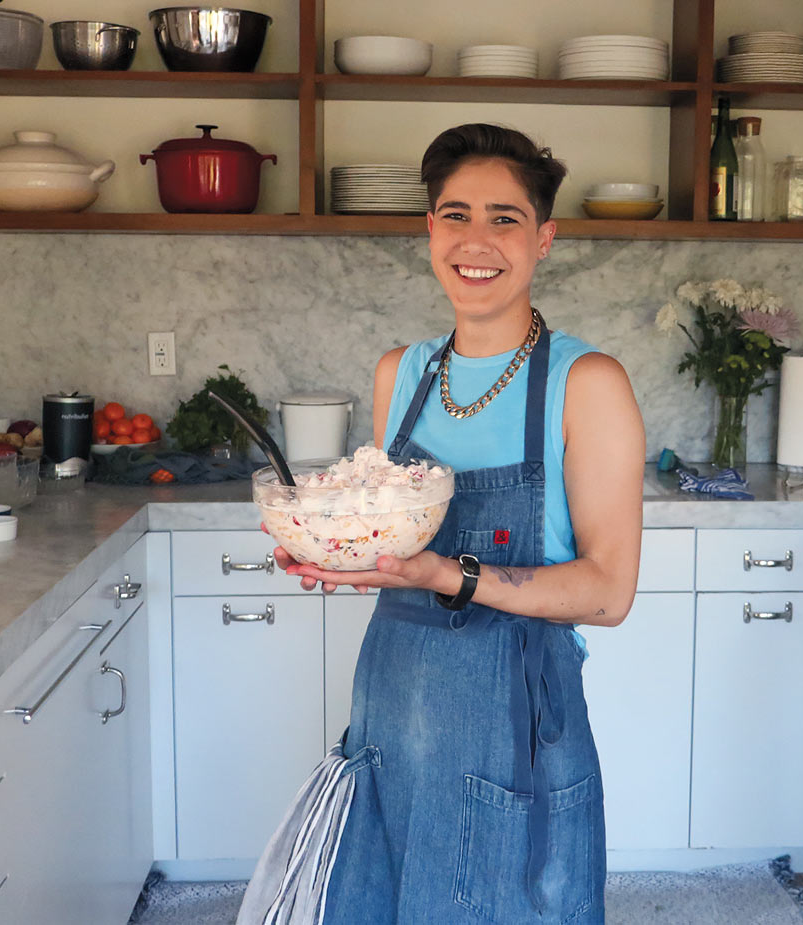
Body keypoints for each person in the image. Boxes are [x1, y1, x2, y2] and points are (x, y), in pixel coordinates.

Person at [273, 123, 645, 924]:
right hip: (392, 705)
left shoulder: (587, 383)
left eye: (505, 218)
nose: (477, 241)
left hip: (515, 729)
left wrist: (448, 574)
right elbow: (386, 539)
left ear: (544, 239)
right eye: (455, 215)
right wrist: (335, 548)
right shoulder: (398, 375)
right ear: (429, 231)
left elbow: (609, 592)